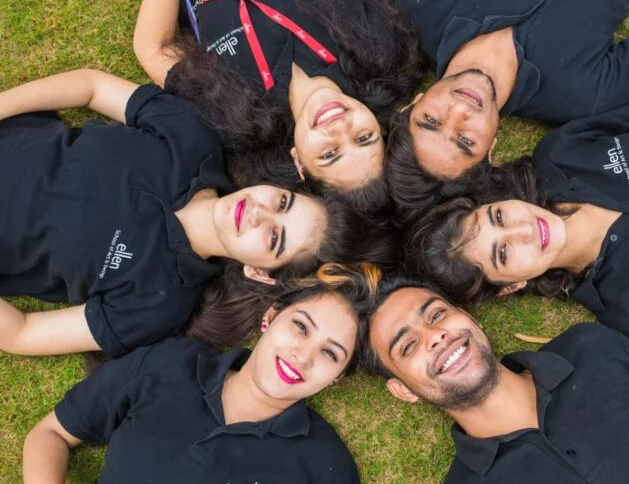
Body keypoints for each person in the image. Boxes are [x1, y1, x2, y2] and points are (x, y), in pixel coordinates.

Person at [0, 69, 388, 358]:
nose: (260, 213)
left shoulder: (159, 303)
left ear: (261, 273)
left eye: (274, 238)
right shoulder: (192, 139)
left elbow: (23, 334)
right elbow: (92, 87)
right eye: (283, 203)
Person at [407, 69, 629, 346]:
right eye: (503, 253)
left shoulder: (561, 154)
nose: (523, 229)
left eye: (498, 216)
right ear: (510, 286)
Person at [384, 0, 629, 226]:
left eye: (431, 121)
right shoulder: (584, 95)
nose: (460, 110)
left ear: (411, 104)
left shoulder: (420, 3)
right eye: (465, 140)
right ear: (491, 148)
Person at [361, 279, 629, 483]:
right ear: (403, 390)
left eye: (436, 315)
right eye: (407, 346)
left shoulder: (590, 349)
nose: (435, 337)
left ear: (469, 319)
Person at [23, 263, 379, 484]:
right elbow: (51, 433)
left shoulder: (325, 465)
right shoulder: (169, 364)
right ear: (270, 317)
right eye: (301, 326)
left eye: (330, 353)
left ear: (336, 377)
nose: (303, 355)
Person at [133, 0, 425, 207]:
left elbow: (154, 49)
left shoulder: (232, 114)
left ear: (299, 163)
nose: (340, 129)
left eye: (329, 153)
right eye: (364, 138)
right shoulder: (380, 46)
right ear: (380, 126)